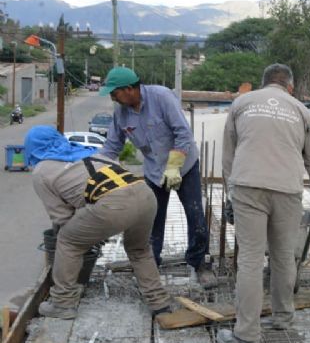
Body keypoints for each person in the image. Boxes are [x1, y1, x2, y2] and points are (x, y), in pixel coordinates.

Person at [217, 63, 310, 343]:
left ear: (262, 84)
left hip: (248, 187)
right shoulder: (301, 110)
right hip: (288, 190)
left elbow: (228, 157)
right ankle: (282, 317)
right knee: (283, 257)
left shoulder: (241, 103)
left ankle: (246, 335)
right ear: (290, 87)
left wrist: (230, 196)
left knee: (251, 260)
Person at [25, 126, 173, 318]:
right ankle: (160, 303)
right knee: (140, 249)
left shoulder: (41, 171)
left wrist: (87, 235)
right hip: (145, 195)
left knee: (68, 241)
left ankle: (63, 303)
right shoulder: (92, 152)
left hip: (112, 205)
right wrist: (92, 230)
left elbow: (62, 218)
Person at [99, 67, 217, 288]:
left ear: (128, 89)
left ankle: (200, 263)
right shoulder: (121, 113)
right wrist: (98, 169)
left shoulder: (161, 97)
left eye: (114, 92)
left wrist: (174, 167)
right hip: (154, 171)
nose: (112, 97)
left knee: (195, 215)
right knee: (151, 220)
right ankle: (150, 265)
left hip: (184, 166)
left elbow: (183, 133)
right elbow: (111, 147)